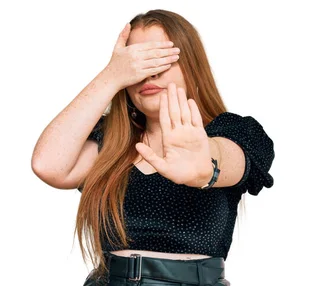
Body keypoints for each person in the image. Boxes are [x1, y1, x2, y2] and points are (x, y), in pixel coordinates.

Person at [31, 9, 275, 286]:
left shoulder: (235, 131)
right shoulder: (109, 143)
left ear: (193, 67)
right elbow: (48, 165)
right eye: (137, 63)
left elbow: (230, 158)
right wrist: (110, 76)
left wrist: (206, 167)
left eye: (163, 58)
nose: (150, 73)